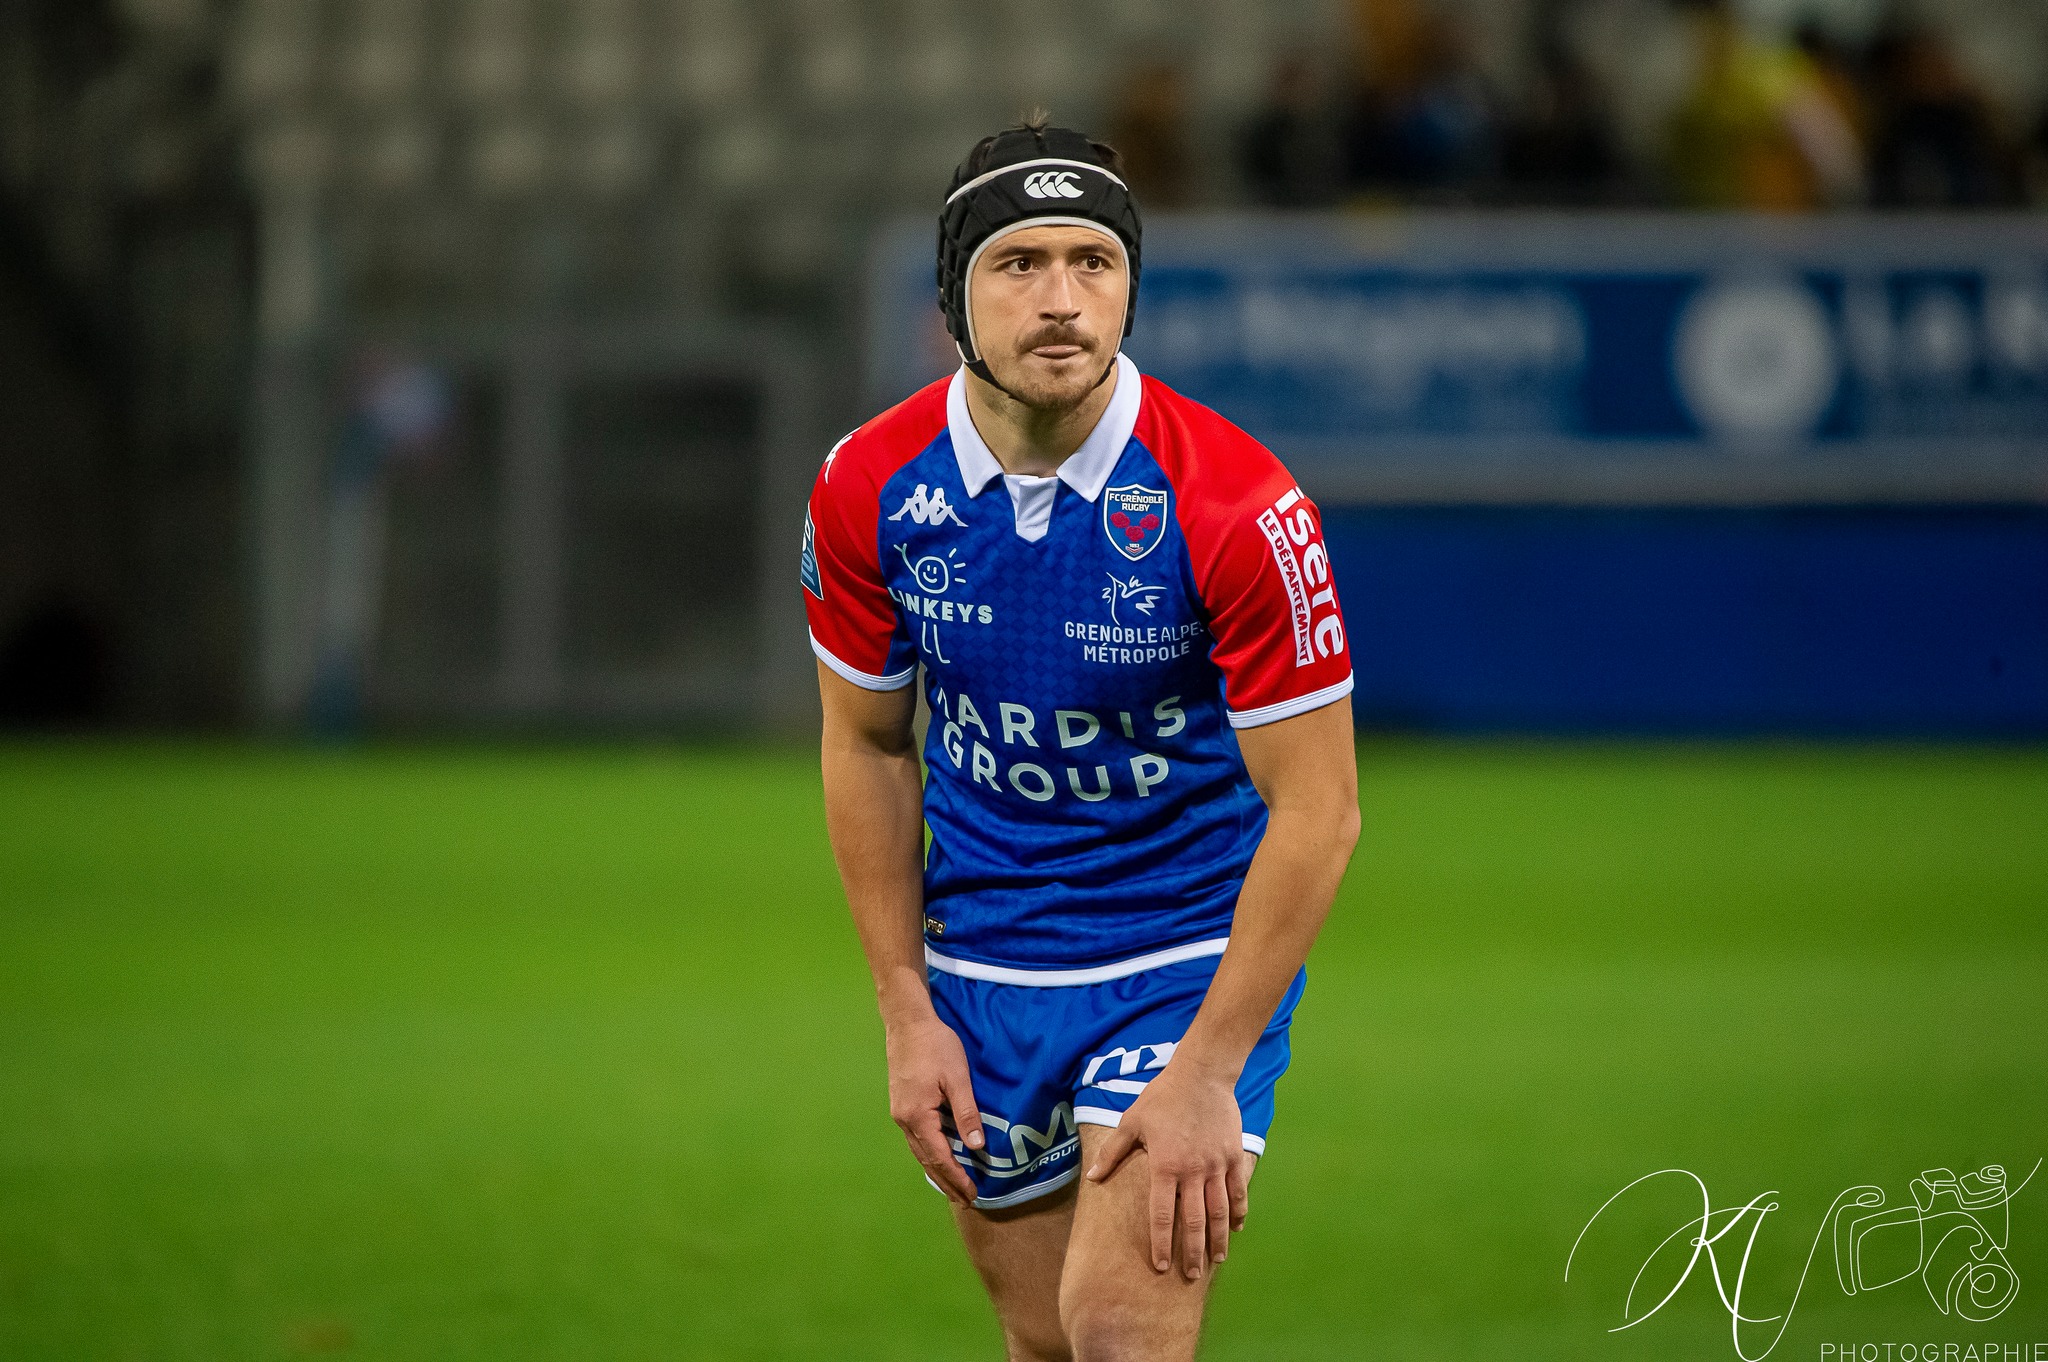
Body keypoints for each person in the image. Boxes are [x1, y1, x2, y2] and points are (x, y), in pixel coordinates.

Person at [801, 117, 1361, 1361]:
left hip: (1179, 954)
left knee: (1115, 1336)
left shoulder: (1234, 507)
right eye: (1018, 264)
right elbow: (867, 745)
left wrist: (1210, 1065)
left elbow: (1319, 812)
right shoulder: (868, 488)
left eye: (1092, 263)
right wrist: (903, 1007)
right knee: (1042, 1342)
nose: (1061, 301)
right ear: (954, 296)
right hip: (983, 967)